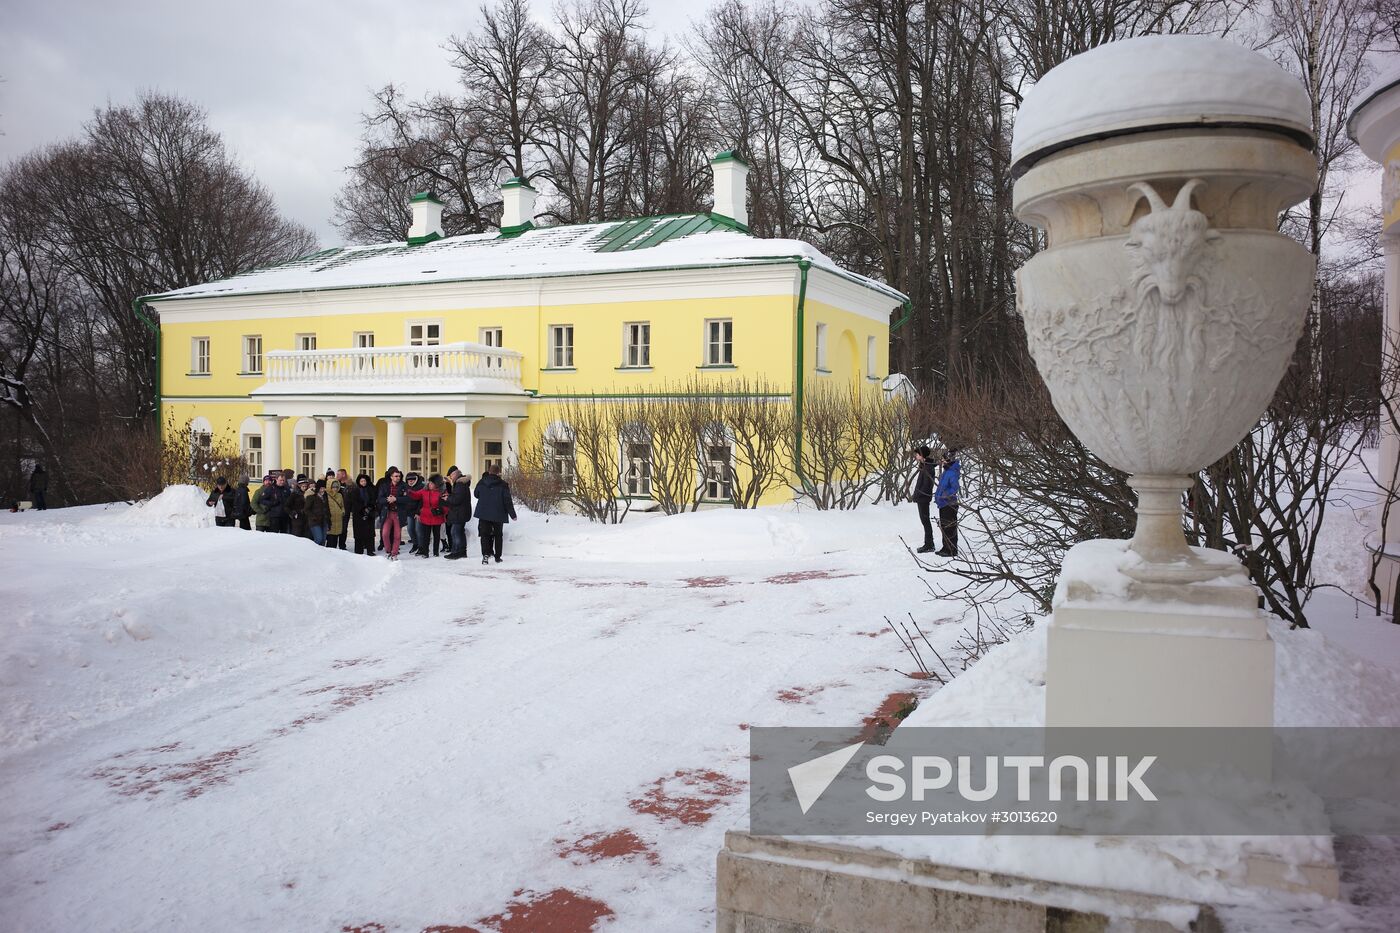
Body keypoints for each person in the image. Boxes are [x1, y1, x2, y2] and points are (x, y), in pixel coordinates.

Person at [473, 463, 517, 564]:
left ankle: (485, 555)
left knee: (484, 535)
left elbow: (476, 494)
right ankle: (497, 557)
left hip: (484, 513)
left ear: (489, 471)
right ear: (498, 473)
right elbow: (507, 500)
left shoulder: (482, 482)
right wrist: (513, 514)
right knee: (498, 535)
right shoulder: (503, 484)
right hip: (498, 512)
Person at [377, 467, 413, 560]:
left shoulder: (404, 486)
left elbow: (408, 499)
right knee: (385, 534)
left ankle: (394, 554)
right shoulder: (385, 486)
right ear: (391, 477)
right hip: (387, 513)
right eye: (396, 476)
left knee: (397, 535)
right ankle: (389, 551)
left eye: (399, 476)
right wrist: (387, 499)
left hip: (398, 513)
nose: (398, 478)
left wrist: (396, 499)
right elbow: (379, 499)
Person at [408, 473, 447, 558]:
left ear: (437, 484)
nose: (430, 484)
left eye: (432, 483)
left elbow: (446, 505)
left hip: (437, 516)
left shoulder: (442, 492)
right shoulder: (424, 490)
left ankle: (436, 552)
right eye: (429, 482)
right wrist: (409, 491)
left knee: (436, 536)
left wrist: (441, 511)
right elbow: (416, 495)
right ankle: (425, 552)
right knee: (426, 536)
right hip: (426, 516)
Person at [910, 446, 937, 554]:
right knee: (924, 521)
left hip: (924, 498)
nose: (915, 456)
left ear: (922, 455)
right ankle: (928, 543)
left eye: (917, 454)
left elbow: (926, 485)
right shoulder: (924, 466)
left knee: (925, 521)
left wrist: (919, 495)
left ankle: (929, 544)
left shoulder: (928, 467)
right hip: (921, 497)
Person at [935, 448, 961, 557]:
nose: (942, 461)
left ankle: (951, 549)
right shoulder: (946, 472)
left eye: (943, 459)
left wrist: (945, 495)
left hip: (949, 504)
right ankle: (945, 547)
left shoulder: (952, 472)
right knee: (944, 527)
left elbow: (955, 488)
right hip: (942, 504)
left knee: (950, 527)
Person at [444, 471, 473, 560]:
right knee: (459, 532)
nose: (450, 477)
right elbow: (457, 497)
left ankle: (457, 552)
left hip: (460, 513)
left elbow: (457, 499)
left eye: (451, 475)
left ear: (455, 474)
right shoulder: (460, 483)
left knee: (455, 532)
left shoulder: (460, 484)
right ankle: (461, 552)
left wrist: (447, 498)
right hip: (460, 512)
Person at [350, 473, 377, 556]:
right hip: (358, 515)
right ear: (359, 482)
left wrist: (369, 508)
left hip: (369, 514)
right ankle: (358, 550)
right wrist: (362, 509)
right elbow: (354, 502)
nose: (363, 482)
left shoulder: (371, 489)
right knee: (359, 533)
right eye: (361, 481)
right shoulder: (355, 490)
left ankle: (370, 550)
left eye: (364, 481)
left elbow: (373, 500)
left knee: (369, 533)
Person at [404, 471, 424, 554]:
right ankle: (415, 544)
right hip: (409, 512)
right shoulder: (405, 487)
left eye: (412, 479)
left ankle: (421, 547)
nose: (410, 481)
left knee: (418, 530)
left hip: (418, 512)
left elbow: (422, 501)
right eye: (409, 480)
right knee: (410, 529)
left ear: (416, 479)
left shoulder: (421, 486)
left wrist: (418, 512)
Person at [325, 479, 348, 549]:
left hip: (338, 519)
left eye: (336, 487)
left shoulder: (339, 495)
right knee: (330, 538)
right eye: (333, 487)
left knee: (336, 537)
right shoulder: (326, 495)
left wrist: (343, 511)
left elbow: (342, 505)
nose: (335, 489)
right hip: (330, 519)